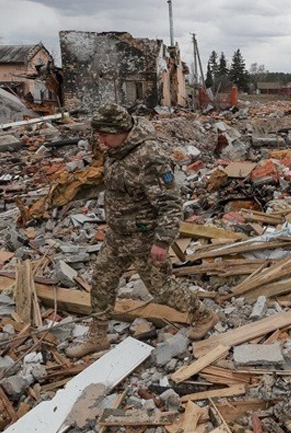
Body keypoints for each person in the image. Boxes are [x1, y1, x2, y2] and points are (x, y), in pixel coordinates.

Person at [66, 103, 219, 358]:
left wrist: (162, 241)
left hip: (144, 239)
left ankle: (204, 315)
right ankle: (97, 336)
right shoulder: (116, 149)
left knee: (161, 288)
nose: (100, 141)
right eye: (98, 135)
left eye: (104, 135)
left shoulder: (150, 157)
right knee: (102, 281)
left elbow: (171, 203)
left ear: (121, 130)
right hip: (117, 236)